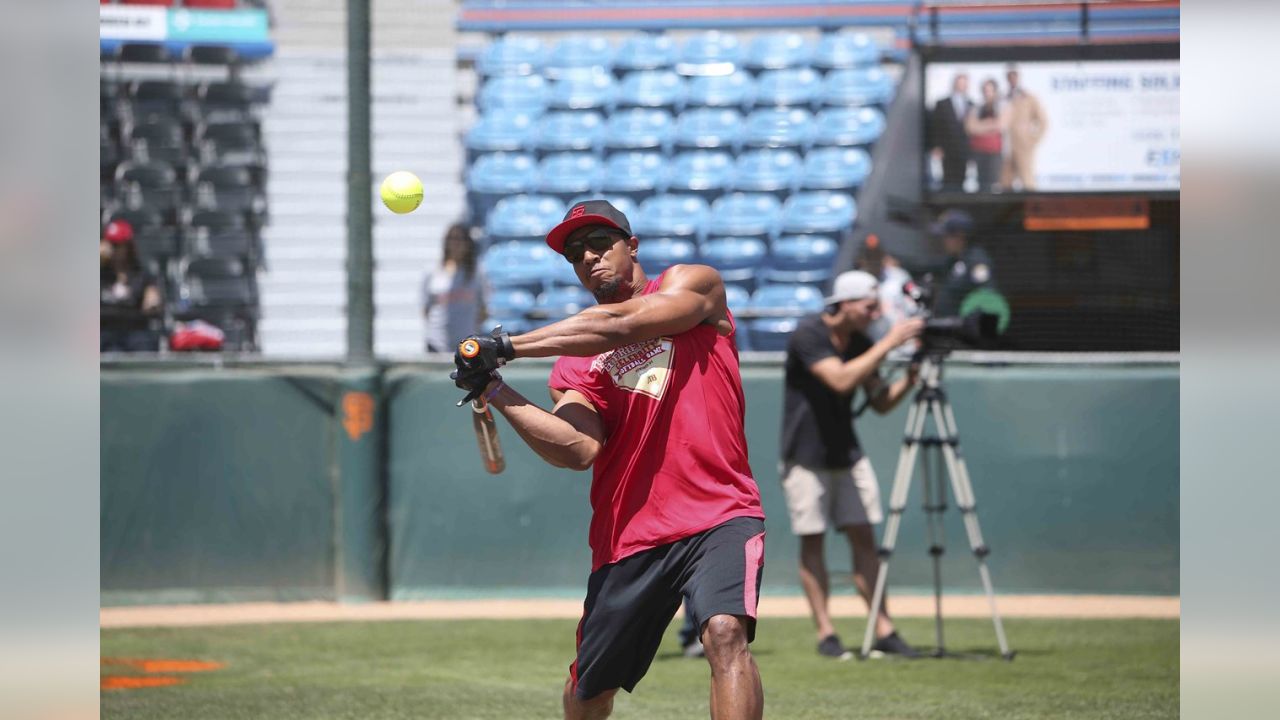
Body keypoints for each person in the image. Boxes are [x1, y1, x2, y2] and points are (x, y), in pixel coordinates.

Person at [451, 200, 766, 720]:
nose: (589, 258)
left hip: (719, 510)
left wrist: (506, 345)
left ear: (632, 245)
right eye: (576, 254)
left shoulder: (694, 284)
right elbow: (579, 449)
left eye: (600, 244)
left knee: (725, 632)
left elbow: (623, 324)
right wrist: (496, 388)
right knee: (589, 692)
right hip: (630, 533)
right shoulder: (573, 363)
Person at [779, 270, 924, 660]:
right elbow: (841, 380)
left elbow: (879, 402)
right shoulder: (808, 334)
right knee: (813, 540)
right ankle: (826, 632)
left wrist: (910, 378)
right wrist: (891, 342)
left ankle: (884, 628)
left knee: (864, 538)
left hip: (846, 453)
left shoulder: (861, 341)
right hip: (805, 456)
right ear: (844, 303)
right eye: (869, 305)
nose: (876, 313)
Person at [100, 219, 163, 352]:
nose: (112, 249)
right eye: (110, 244)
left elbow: (153, 301)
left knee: (142, 345)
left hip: (133, 331)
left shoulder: (141, 274)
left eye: (117, 245)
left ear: (128, 247)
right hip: (104, 330)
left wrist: (152, 302)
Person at [422, 223, 486, 353]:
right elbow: (426, 309)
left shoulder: (477, 272)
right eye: (452, 239)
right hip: (437, 341)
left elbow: (484, 309)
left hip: (467, 343)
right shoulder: (433, 271)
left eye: (460, 239)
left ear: (468, 243)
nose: (456, 244)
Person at [930, 209, 997, 318]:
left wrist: (969, 322)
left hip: (963, 330)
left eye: (946, 236)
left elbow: (987, 294)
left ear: (959, 236)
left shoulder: (976, 261)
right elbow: (926, 266)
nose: (943, 241)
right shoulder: (954, 260)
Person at [854, 233, 915, 345]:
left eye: (877, 255)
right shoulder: (855, 282)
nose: (874, 260)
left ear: (884, 256)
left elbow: (915, 307)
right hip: (870, 346)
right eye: (869, 256)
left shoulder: (900, 276)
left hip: (902, 346)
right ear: (861, 259)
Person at [1001, 65, 1048, 191]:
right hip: (1005, 147)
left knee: (1027, 182)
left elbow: (1043, 122)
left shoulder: (1029, 98)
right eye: (1010, 75)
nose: (1012, 78)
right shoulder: (1002, 97)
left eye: (1015, 75)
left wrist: (1031, 140)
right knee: (1005, 183)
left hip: (1023, 147)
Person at [930, 73, 973, 192]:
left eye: (964, 83)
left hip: (963, 149)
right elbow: (936, 126)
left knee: (962, 178)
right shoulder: (942, 103)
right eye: (960, 83)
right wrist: (936, 146)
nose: (962, 86)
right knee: (948, 180)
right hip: (947, 148)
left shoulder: (971, 104)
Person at [965, 78, 1010, 192]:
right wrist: (990, 124)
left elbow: (1001, 125)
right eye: (985, 90)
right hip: (979, 151)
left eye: (990, 90)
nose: (987, 93)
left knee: (994, 182)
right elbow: (971, 128)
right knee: (981, 183)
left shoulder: (1002, 107)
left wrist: (981, 126)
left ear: (995, 91)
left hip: (995, 152)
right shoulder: (976, 108)